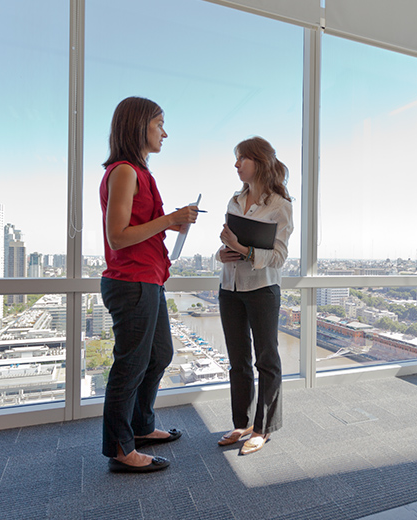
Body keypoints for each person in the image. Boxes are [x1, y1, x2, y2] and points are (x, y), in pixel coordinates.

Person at [99, 96, 199, 473]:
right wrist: (169, 217)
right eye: (160, 124)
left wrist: (171, 222)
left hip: (149, 280)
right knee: (130, 366)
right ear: (139, 126)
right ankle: (120, 449)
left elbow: (138, 228)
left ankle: (140, 427)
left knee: (158, 356)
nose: (165, 133)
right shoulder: (124, 171)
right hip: (132, 282)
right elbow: (118, 236)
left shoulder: (140, 174)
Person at [216, 136, 294, 455]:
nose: (236, 165)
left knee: (267, 360)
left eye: (241, 159)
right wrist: (222, 254)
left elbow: (279, 257)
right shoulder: (234, 201)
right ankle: (242, 422)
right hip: (229, 287)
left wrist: (242, 249)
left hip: (262, 289)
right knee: (238, 362)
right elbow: (225, 247)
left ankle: (263, 429)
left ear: (259, 162)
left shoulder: (280, 206)